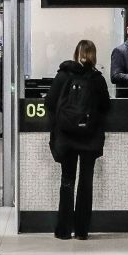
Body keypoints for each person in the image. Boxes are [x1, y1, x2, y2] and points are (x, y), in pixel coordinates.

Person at [49, 39, 110, 241]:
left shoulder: (63, 75)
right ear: (93, 55)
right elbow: (106, 107)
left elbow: (49, 102)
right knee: (86, 182)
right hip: (89, 139)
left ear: (76, 53)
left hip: (66, 137)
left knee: (67, 181)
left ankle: (63, 230)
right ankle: (82, 231)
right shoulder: (97, 79)